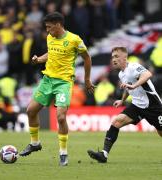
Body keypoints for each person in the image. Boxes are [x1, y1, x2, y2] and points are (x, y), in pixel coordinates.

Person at [19, 12, 94, 166]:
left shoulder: (74, 39)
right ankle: (35, 143)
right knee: (30, 111)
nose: (47, 30)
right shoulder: (50, 38)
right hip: (47, 80)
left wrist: (87, 79)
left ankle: (63, 153)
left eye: (49, 27)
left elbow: (87, 58)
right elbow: (51, 54)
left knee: (60, 117)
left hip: (64, 82)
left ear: (58, 24)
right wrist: (39, 59)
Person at [87, 46, 162, 163]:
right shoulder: (121, 74)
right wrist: (122, 100)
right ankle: (104, 155)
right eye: (112, 57)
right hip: (137, 105)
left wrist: (135, 85)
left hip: (153, 105)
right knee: (117, 122)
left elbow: (147, 74)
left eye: (116, 56)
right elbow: (128, 88)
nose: (114, 59)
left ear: (124, 57)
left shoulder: (134, 67)